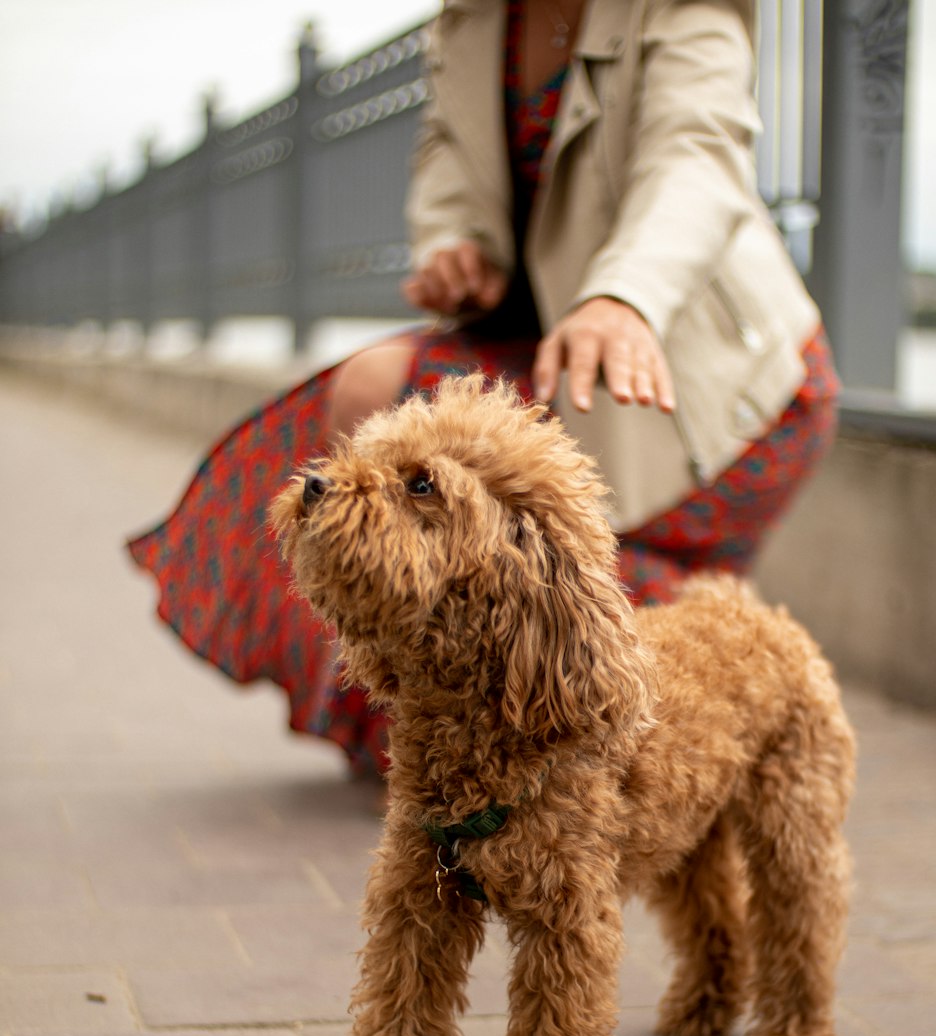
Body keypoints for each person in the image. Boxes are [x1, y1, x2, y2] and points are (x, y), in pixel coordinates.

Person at [129, 0, 838, 777]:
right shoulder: (470, 19)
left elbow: (696, 158)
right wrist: (456, 245)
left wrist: (626, 295)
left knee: (539, 567)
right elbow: (447, 159)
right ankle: (428, 724)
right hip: (545, 349)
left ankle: (611, 672)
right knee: (368, 404)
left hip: (698, 377)